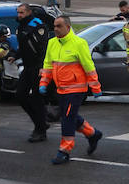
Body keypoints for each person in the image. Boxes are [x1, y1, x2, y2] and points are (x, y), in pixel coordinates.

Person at [39, 15, 103, 164]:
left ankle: (64, 151)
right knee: (70, 116)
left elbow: (89, 66)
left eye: (59, 26)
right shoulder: (52, 43)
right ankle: (93, 134)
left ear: (68, 27)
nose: (55, 29)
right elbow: (48, 65)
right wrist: (44, 83)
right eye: (54, 26)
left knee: (67, 118)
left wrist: (95, 87)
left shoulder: (79, 43)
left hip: (76, 90)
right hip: (61, 89)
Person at [15, 2, 52, 142]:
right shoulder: (21, 26)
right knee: (20, 95)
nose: (19, 15)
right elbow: (24, 47)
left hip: (38, 67)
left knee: (37, 99)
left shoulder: (38, 26)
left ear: (29, 12)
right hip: (28, 67)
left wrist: (43, 66)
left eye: (21, 13)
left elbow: (43, 48)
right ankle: (40, 123)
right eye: (18, 13)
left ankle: (41, 131)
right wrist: (14, 55)